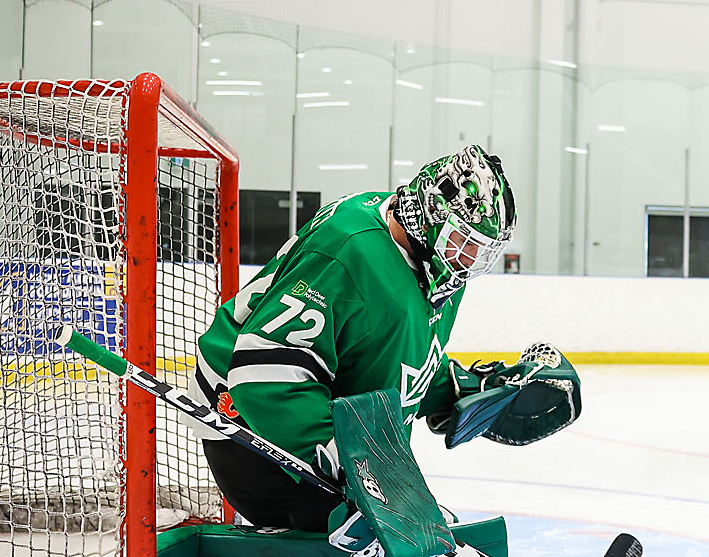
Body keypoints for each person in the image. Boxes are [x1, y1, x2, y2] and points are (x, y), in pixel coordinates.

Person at [192, 143, 572, 532]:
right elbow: (266, 372)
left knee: (405, 529)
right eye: (466, 241)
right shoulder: (351, 249)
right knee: (378, 535)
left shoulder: (435, 263)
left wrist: (458, 392)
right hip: (249, 423)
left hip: (308, 414)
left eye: (482, 251)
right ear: (433, 214)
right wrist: (356, 467)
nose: (471, 260)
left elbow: (387, 348)